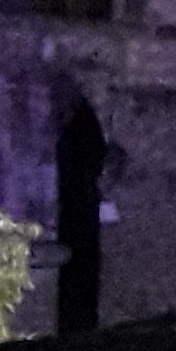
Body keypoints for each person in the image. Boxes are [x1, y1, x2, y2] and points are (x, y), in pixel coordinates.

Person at [54, 94, 120, 335]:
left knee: (79, 273)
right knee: (79, 273)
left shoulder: (80, 126)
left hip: (78, 212)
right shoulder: (80, 126)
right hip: (78, 211)